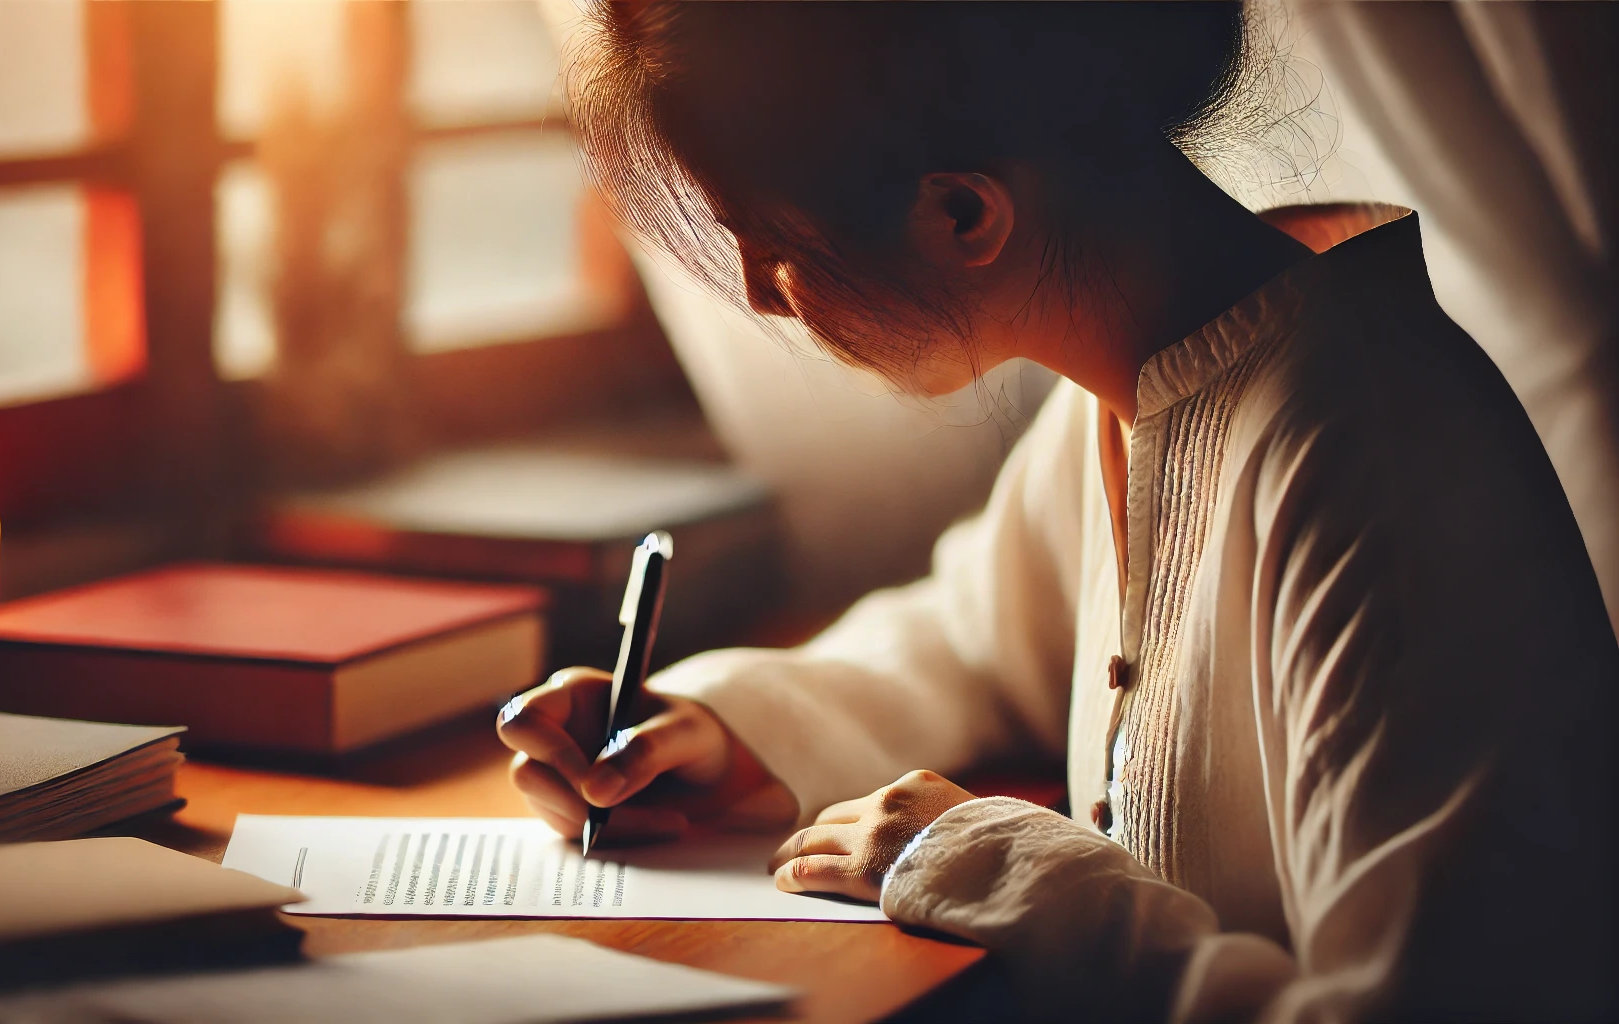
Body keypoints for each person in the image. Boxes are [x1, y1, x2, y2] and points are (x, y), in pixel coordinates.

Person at [496, 3, 1618, 1020]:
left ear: (960, 212)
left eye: (778, 248)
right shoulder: (1146, 383)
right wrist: (722, 728)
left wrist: (1019, 878)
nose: (753, 289)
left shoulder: (1375, 449)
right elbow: (974, 639)